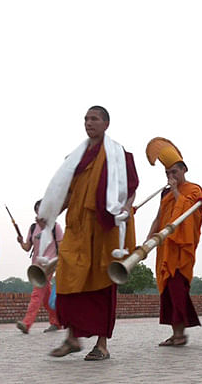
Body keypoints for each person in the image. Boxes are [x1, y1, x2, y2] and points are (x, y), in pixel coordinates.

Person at [37, 106, 138, 360]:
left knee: (103, 282)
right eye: (86, 119)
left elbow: (130, 187)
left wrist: (125, 207)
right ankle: (72, 338)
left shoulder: (118, 155)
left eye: (94, 119)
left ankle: (102, 345)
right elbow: (68, 193)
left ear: (106, 123)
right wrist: (51, 214)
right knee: (69, 278)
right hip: (77, 226)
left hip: (104, 227)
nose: (88, 123)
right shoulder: (76, 158)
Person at [145, 138, 202, 346]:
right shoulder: (165, 194)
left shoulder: (194, 190)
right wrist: (147, 240)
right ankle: (176, 332)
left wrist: (176, 190)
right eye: (167, 173)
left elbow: (190, 213)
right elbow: (159, 217)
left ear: (184, 170)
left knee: (178, 289)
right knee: (168, 292)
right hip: (166, 248)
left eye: (174, 172)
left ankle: (180, 334)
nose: (171, 177)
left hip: (182, 249)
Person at [16, 199, 63, 334]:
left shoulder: (55, 227)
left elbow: (61, 247)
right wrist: (21, 242)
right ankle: (56, 322)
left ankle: (27, 323)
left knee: (37, 294)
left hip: (49, 266)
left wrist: (57, 264)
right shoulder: (33, 228)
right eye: (38, 209)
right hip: (36, 267)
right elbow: (27, 247)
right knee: (46, 298)